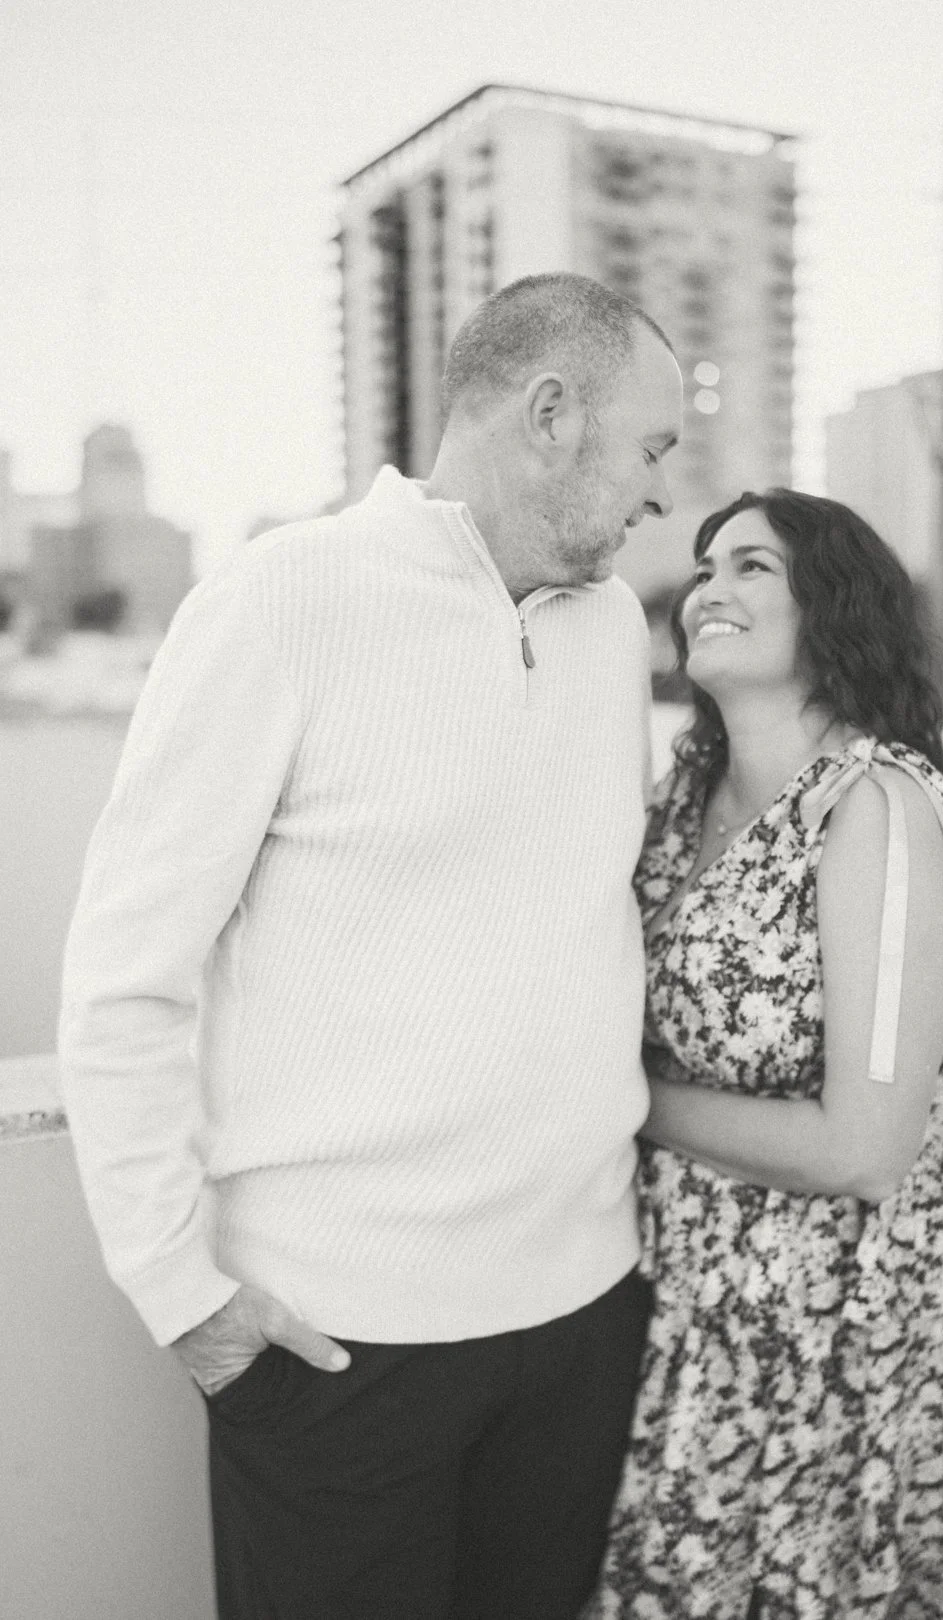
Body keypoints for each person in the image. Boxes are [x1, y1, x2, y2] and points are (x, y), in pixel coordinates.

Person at [58, 271, 684, 1620]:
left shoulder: (614, 632)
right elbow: (126, 977)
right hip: (340, 1347)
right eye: (652, 449)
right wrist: (182, 1297)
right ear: (552, 413)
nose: (662, 494)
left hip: (584, 1318)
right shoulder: (280, 600)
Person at [589, 490, 943, 1620]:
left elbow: (866, 1148)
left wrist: (618, 1100)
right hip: (691, 1303)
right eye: (705, 568)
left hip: (840, 1328)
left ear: (836, 608)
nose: (710, 588)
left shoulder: (874, 808)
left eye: (753, 566)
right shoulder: (681, 800)